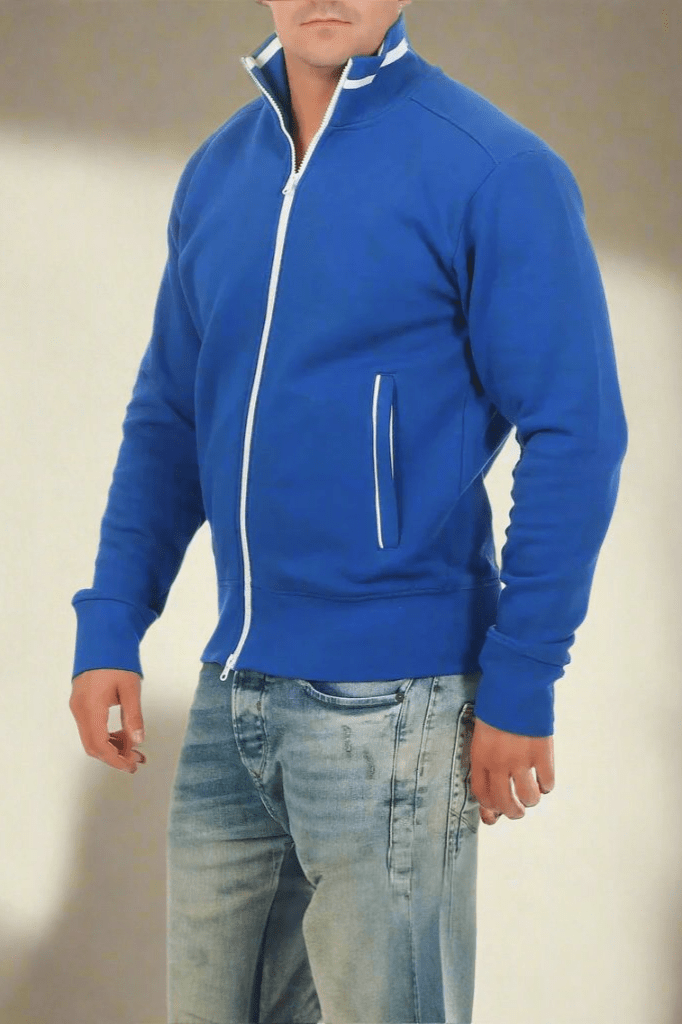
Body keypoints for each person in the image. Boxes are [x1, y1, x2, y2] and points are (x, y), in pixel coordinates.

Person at [68, 2, 628, 1022]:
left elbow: (576, 430)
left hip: (396, 705)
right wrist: (112, 616)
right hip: (233, 693)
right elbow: (170, 415)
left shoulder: (495, 171)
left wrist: (523, 676)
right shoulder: (219, 172)